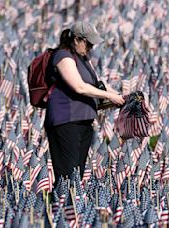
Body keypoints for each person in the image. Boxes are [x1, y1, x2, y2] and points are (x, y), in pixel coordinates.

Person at [44, 21, 125, 186]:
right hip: (66, 122)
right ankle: (59, 208)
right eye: (88, 43)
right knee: (67, 175)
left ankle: (69, 208)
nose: (91, 48)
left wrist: (120, 96)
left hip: (84, 122)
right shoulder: (62, 56)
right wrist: (110, 96)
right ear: (76, 40)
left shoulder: (83, 59)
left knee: (77, 174)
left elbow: (98, 84)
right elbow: (79, 87)